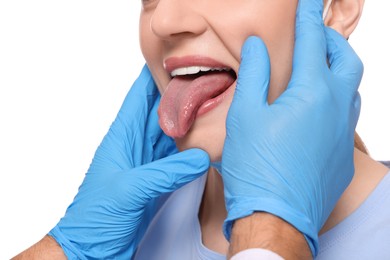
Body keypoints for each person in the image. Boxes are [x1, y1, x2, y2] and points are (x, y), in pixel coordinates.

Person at [12, 0, 389, 260]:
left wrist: (273, 229)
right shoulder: (136, 220)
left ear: (337, 8)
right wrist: (67, 250)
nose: (164, 20)